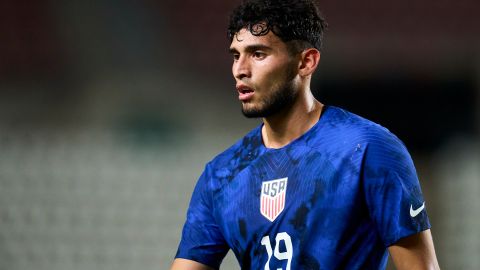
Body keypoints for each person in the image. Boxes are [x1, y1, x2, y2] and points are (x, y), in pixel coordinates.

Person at [171, 0, 440, 269]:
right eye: (235, 55)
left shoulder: (369, 149)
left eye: (258, 54)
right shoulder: (221, 174)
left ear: (306, 62)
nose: (240, 70)